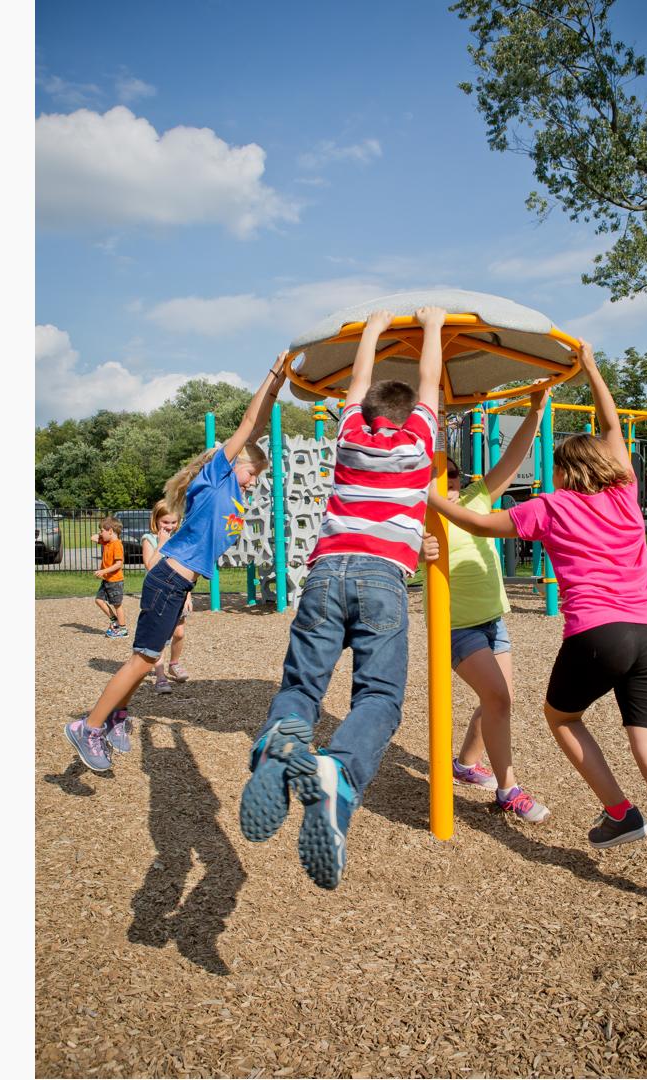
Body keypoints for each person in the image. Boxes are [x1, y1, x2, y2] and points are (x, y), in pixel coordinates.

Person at [425, 340, 647, 906]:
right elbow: (611, 422)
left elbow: (480, 523)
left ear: (565, 471)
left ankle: (619, 812)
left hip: (598, 631)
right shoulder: (626, 494)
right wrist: (591, 366)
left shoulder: (550, 506)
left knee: (561, 717)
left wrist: (432, 499)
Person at [239, 306, 445, 890]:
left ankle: (283, 742)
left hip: (326, 573)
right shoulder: (421, 444)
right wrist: (431, 329)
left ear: (370, 413)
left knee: (302, 686)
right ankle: (339, 775)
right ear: (414, 419)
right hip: (383, 579)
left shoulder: (350, 435)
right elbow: (430, 382)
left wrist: (374, 332)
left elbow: (359, 385)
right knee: (378, 694)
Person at [64, 353, 289, 772]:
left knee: (147, 657)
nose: (255, 480)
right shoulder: (216, 480)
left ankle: (115, 717)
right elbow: (249, 426)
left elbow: (257, 431)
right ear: (232, 464)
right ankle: (89, 726)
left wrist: (280, 389)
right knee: (143, 659)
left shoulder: (234, 492)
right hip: (168, 578)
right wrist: (274, 375)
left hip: (179, 584)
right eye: (252, 472)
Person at [437, 388, 551, 823]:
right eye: (438, 474)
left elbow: (516, 455)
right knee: (499, 698)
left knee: (500, 700)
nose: (447, 479)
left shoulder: (476, 500)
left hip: (492, 620)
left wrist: (537, 411)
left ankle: (466, 763)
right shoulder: (421, 516)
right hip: (456, 626)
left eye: (451, 473)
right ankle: (508, 790)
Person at [138, 500, 191, 693]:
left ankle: (174, 664)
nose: (169, 527)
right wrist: (161, 544)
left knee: (179, 633)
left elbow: (185, 569)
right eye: (165, 522)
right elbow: (151, 567)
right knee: (160, 638)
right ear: (156, 520)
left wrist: (188, 595)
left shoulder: (179, 540)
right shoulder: (149, 540)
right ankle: (160, 676)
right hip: (158, 595)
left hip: (178, 592)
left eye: (173, 523)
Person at [92, 518, 127, 638]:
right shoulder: (107, 542)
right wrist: (100, 534)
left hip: (115, 581)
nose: (100, 533)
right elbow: (95, 538)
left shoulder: (117, 545)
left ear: (110, 531)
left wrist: (103, 571)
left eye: (102, 531)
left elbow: (118, 564)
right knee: (99, 600)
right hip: (107, 580)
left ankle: (122, 629)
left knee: (117, 605)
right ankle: (114, 620)